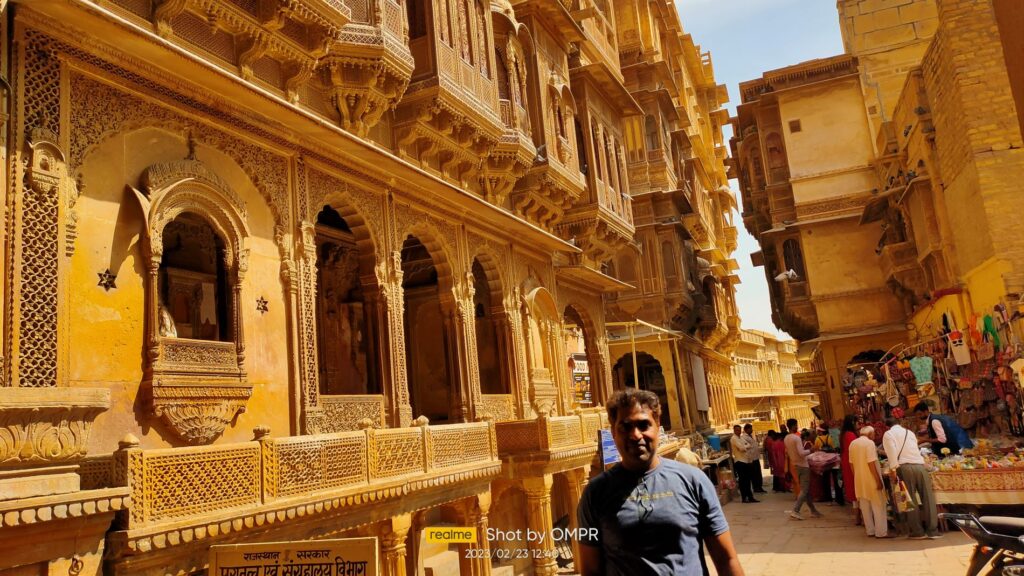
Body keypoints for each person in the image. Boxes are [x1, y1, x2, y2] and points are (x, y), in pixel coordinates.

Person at [577, 389, 745, 576]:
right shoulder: (596, 493)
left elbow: (726, 560)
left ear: (657, 425)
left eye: (643, 425)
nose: (635, 435)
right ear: (613, 432)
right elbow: (591, 570)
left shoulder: (692, 481)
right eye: (625, 426)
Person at [882, 416, 940, 539]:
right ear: (899, 423)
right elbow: (915, 449)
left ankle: (917, 531)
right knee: (928, 498)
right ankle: (933, 530)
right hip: (919, 466)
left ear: (887, 426)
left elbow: (891, 453)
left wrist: (893, 470)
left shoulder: (888, 434)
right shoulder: (909, 432)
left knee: (909, 500)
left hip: (904, 467)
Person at [849, 426, 893, 539]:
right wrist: (878, 480)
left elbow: (851, 464)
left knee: (865, 506)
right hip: (871, 478)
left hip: (859, 479)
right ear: (870, 434)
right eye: (873, 434)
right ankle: (881, 532)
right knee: (878, 505)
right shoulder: (869, 444)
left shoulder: (853, 444)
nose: (874, 436)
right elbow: (871, 463)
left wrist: (857, 476)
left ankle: (870, 531)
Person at [784, 418, 821, 520]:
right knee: (804, 490)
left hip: (795, 464)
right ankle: (796, 510)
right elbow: (801, 453)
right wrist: (811, 450)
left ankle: (813, 510)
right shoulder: (796, 438)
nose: (797, 427)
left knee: (806, 489)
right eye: (796, 425)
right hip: (803, 465)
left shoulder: (786, 438)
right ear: (792, 426)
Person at [839, 414, 860, 525]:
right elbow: (854, 450)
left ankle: (858, 518)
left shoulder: (844, 434)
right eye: (857, 422)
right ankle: (859, 517)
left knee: (854, 491)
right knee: (857, 489)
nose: (858, 425)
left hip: (847, 463)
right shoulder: (850, 435)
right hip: (852, 464)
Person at [730, 424, 757, 503]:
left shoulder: (741, 437)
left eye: (739, 430)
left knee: (748, 480)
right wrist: (745, 447)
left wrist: (745, 446)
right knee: (742, 481)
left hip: (746, 461)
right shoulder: (733, 438)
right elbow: (741, 448)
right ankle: (744, 498)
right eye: (737, 430)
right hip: (739, 461)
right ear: (734, 430)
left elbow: (748, 444)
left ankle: (750, 497)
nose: (738, 431)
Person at [743, 424, 766, 494]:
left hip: (756, 457)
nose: (751, 430)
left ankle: (759, 487)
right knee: (754, 474)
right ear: (746, 429)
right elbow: (746, 448)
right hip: (751, 459)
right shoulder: (744, 437)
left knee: (758, 473)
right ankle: (756, 487)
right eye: (750, 429)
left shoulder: (751, 436)